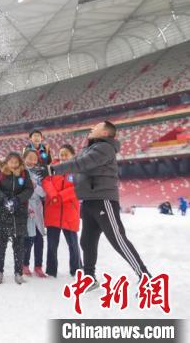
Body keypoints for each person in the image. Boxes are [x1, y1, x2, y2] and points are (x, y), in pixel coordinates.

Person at [51, 121, 150, 288]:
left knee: (118, 239)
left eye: (96, 127)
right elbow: (77, 164)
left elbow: (80, 164)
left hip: (103, 200)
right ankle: (89, 279)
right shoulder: (89, 148)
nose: (91, 128)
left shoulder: (105, 148)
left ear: (105, 133)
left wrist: (52, 169)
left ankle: (146, 277)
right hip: (89, 200)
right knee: (87, 242)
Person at [0, 152, 34, 284]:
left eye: (16, 162)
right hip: (3, 211)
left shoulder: (24, 172)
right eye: (11, 161)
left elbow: (29, 189)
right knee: (1, 244)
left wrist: (17, 199)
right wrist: (4, 199)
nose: (13, 164)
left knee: (19, 244)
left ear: (19, 162)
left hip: (19, 212)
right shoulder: (0, 170)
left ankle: (18, 273)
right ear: (7, 161)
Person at [43, 145, 82, 278]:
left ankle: (76, 269)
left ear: (72, 155)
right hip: (53, 210)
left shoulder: (78, 169)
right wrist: (54, 196)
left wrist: (60, 197)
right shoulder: (52, 168)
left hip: (70, 212)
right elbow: (46, 182)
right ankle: (51, 270)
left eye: (66, 154)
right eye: (61, 154)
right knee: (52, 245)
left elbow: (77, 187)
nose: (63, 156)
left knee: (73, 245)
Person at [22, 149, 48, 278]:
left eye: (34, 158)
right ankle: (24, 264)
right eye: (29, 158)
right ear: (24, 158)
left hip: (37, 208)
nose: (32, 161)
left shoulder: (39, 173)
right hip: (26, 208)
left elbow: (43, 193)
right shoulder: (20, 172)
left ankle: (38, 266)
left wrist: (35, 186)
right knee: (28, 239)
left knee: (39, 239)